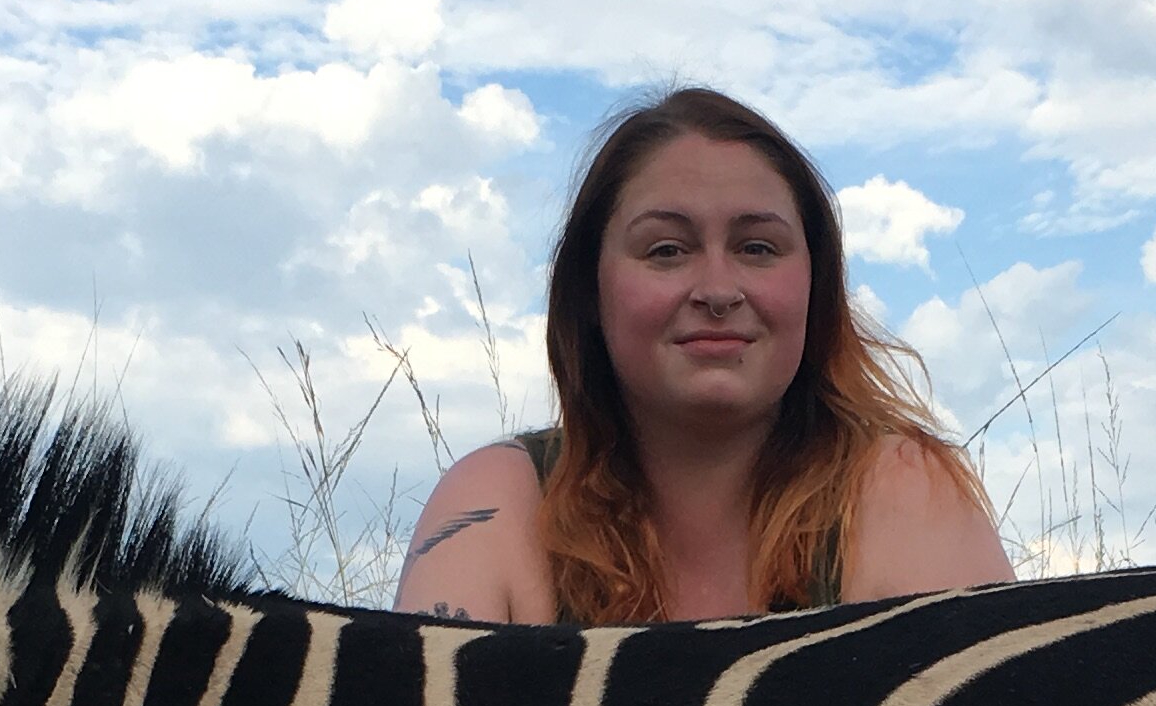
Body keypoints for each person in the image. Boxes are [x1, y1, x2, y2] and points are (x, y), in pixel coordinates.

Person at [396, 88, 1013, 623]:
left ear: (815, 288)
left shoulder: (902, 493)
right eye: (666, 250)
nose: (718, 291)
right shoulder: (499, 501)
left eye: (758, 248)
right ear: (591, 290)